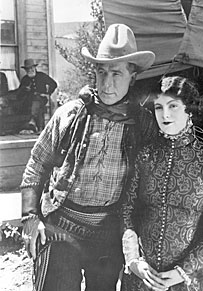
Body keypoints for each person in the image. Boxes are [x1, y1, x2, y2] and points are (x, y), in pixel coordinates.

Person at [20, 23, 157, 291]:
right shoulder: (71, 114)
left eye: (116, 73)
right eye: (101, 71)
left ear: (133, 76)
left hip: (108, 235)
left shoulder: (144, 125)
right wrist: (30, 218)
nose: (107, 83)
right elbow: (36, 165)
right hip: (61, 228)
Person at [121, 76, 203, 291]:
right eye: (158, 107)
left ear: (189, 110)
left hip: (197, 279)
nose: (165, 114)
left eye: (173, 106)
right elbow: (128, 210)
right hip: (145, 279)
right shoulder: (145, 156)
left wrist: (182, 271)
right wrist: (134, 261)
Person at [17, 58, 57, 132]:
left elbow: (53, 84)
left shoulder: (42, 76)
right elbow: (19, 93)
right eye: (27, 69)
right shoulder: (25, 79)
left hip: (42, 98)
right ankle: (40, 129)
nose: (30, 70)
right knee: (37, 104)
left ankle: (33, 121)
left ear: (35, 67)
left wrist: (47, 93)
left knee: (37, 101)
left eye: (31, 68)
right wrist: (24, 89)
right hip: (29, 100)